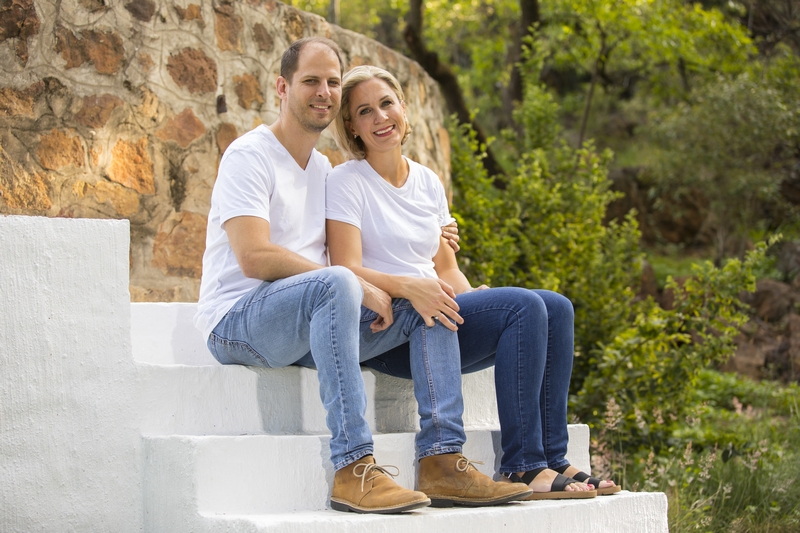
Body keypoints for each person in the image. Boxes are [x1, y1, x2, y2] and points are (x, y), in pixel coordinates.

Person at [194, 37, 530, 515]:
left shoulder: (322, 170)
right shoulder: (250, 155)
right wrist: (352, 282)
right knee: (338, 283)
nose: (324, 91)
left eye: (332, 82)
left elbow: (370, 231)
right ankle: (354, 468)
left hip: (303, 321)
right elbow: (254, 257)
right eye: (311, 80)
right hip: (238, 322)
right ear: (282, 87)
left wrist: (435, 234)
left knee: (425, 302)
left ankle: (441, 460)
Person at [326, 65, 620, 499]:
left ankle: (552, 458)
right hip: (391, 331)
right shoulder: (346, 180)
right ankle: (522, 466)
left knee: (554, 306)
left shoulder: (427, 181)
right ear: (351, 126)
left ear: (404, 108)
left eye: (387, 103)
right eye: (365, 111)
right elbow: (345, 266)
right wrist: (409, 286)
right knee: (523, 305)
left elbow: (446, 271)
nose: (380, 117)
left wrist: (475, 296)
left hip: (438, 316)